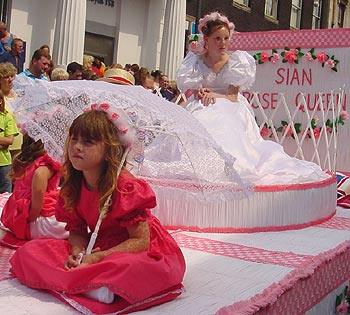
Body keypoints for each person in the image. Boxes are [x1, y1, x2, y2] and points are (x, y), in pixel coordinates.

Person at [10, 109, 185, 311]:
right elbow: (76, 231)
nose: (76, 147)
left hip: (133, 248)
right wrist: (79, 253)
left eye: (88, 142)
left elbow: (141, 241)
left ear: (109, 150)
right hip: (98, 245)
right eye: (73, 139)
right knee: (30, 251)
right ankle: (92, 284)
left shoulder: (125, 187)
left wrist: (97, 258)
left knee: (130, 267)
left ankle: (88, 281)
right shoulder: (73, 185)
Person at [176, 12, 329, 185]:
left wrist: (214, 95)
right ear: (207, 39)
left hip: (228, 103)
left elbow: (232, 96)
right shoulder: (195, 61)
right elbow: (195, 89)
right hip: (202, 103)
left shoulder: (236, 61)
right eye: (217, 38)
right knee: (196, 120)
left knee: (220, 122)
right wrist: (200, 92)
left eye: (226, 38)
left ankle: (228, 164)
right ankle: (197, 164)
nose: (223, 43)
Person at [1, 134, 68, 240]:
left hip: (15, 214)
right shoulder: (43, 167)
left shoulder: (24, 163)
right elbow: (37, 203)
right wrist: (29, 218)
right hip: (35, 219)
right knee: (75, 224)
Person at [0, 62, 22, 158]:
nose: (10, 80)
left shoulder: (19, 95)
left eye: (12, 76)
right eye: (6, 77)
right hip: (4, 144)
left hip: (19, 143)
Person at [0, 89, 18, 193]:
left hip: (3, 163)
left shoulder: (7, 117)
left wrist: (5, 143)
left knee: (5, 195)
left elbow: (9, 140)